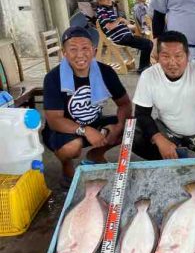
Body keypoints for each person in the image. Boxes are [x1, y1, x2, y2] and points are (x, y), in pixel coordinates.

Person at [42, 27, 132, 186]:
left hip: (94, 122)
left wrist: (117, 127)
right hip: (63, 129)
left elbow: (124, 103)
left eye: (85, 48)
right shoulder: (53, 78)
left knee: (131, 126)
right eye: (73, 49)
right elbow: (54, 120)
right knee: (72, 147)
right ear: (64, 53)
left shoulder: (106, 72)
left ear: (94, 50)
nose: (80, 54)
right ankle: (66, 166)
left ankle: (95, 155)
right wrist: (85, 130)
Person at [132, 31, 195, 162]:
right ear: (158, 56)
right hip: (168, 129)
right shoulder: (148, 75)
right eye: (165, 56)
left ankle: (177, 157)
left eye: (178, 56)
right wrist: (159, 139)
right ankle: (173, 154)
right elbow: (141, 114)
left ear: (188, 56)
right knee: (133, 137)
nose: (172, 62)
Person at [95, 0, 153, 73]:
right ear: (100, 1)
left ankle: (145, 66)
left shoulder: (108, 10)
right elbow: (109, 26)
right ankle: (143, 68)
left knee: (147, 42)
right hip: (120, 38)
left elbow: (120, 25)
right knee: (147, 44)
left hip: (125, 36)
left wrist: (136, 27)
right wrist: (120, 19)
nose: (109, 0)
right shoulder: (102, 11)